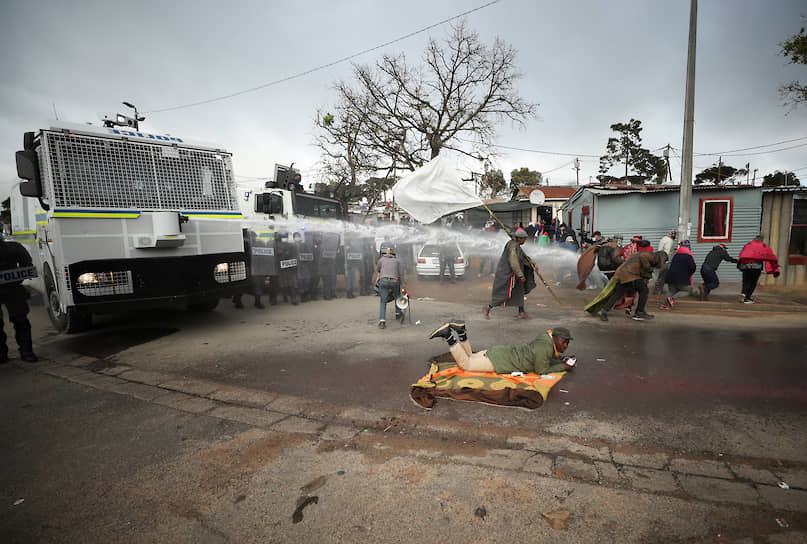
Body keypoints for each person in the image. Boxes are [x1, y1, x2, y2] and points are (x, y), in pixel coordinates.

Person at [429, 322, 577, 374]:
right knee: (466, 364)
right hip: (499, 361)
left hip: (500, 352)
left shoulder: (545, 338)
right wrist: (563, 366)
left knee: (471, 357)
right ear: (556, 338)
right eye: (565, 342)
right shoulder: (545, 349)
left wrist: (561, 360)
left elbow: (545, 359)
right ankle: (448, 335)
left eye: (567, 343)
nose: (566, 345)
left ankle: (461, 332)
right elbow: (541, 370)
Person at [483, 228, 537, 320]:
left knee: (519, 292)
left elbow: (523, 258)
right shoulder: (513, 246)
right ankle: (488, 307)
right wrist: (520, 274)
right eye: (524, 238)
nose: (525, 240)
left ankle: (521, 312)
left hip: (515, 274)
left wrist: (532, 264)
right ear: (519, 238)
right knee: (504, 293)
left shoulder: (517, 245)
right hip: (509, 274)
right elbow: (514, 262)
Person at [598, 250, 667, 321]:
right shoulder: (653, 256)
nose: (664, 263)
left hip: (622, 273)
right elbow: (642, 257)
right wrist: (647, 267)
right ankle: (639, 312)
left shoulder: (649, 254)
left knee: (618, 294)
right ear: (662, 258)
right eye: (665, 261)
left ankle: (604, 310)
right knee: (644, 290)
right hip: (630, 274)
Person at [0, 233, 38, 363]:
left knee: (21, 320)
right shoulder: (14, 247)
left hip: (13, 289)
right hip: (14, 288)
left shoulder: (14, 247)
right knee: (21, 320)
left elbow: (27, 265)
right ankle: (25, 353)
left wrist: (16, 279)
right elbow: (27, 264)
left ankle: (24, 352)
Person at [737, 235, 780, 304]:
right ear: (761, 240)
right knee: (753, 283)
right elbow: (769, 256)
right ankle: (747, 298)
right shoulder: (763, 246)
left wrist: (740, 265)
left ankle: (743, 293)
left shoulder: (748, 245)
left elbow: (742, 255)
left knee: (746, 282)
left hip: (746, 267)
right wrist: (771, 268)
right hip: (756, 268)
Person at [376, 247, 405, 329]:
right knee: (397, 296)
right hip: (395, 281)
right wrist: (403, 286)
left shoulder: (381, 260)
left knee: (383, 301)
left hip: (383, 280)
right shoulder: (397, 261)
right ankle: (398, 314)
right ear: (394, 255)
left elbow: (378, 269)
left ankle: (382, 322)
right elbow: (401, 275)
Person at [661, 240, 696, 309]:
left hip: (670, 277)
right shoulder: (688, 256)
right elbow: (693, 267)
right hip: (682, 278)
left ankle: (664, 305)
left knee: (671, 291)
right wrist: (690, 274)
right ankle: (672, 299)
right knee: (687, 291)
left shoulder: (676, 255)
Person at [653, 230, 677, 295]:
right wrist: (666, 261)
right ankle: (657, 291)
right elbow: (667, 251)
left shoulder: (663, 239)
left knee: (660, 276)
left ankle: (657, 290)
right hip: (665, 261)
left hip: (660, 259)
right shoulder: (670, 241)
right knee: (662, 276)